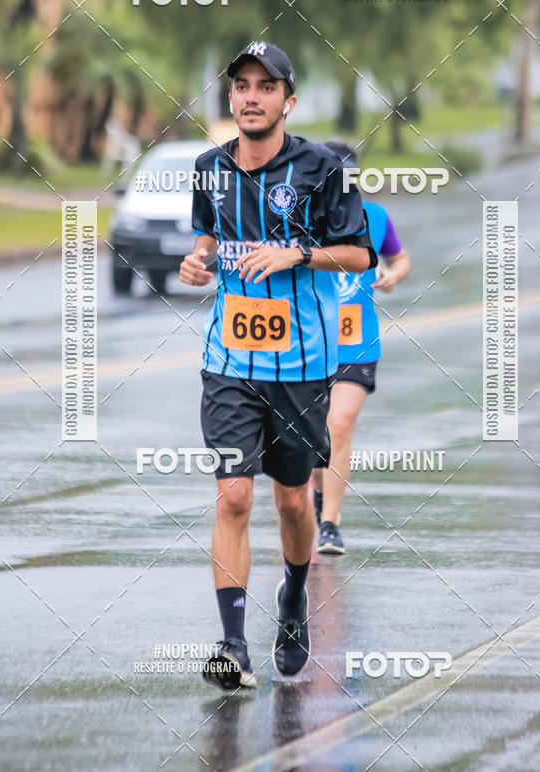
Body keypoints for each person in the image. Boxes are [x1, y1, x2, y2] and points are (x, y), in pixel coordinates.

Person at [179, 44, 377, 690]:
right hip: (229, 359)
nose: (252, 97)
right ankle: (232, 643)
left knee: (294, 501)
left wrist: (298, 255)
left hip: (301, 365)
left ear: (289, 101)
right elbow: (209, 233)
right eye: (242, 85)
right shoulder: (209, 168)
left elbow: (357, 256)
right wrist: (198, 259)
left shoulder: (322, 170)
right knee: (234, 493)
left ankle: (293, 597)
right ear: (231, 98)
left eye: (267, 86)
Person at [312, 141, 410, 555]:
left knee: (339, 425)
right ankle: (317, 500)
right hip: (310, 343)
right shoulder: (301, 222)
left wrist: (392, 276)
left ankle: (331, 524)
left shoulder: (376, 217)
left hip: (356, 344)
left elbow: (401, 259)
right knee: (312, 437)